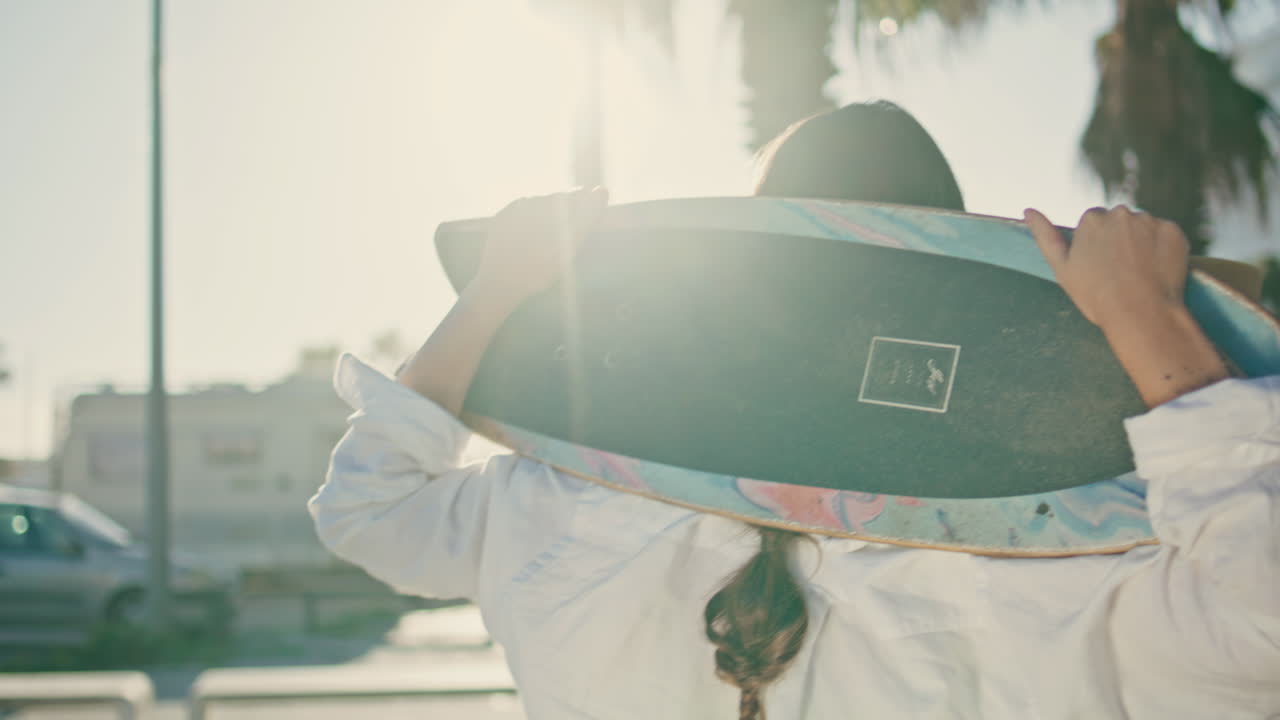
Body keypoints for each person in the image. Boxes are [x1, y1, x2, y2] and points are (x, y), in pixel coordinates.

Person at [309, 102, 1279, 719]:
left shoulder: (564, 500)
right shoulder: (1064, 553)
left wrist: (494, 295)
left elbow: (371, 512)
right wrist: (1147, 329)